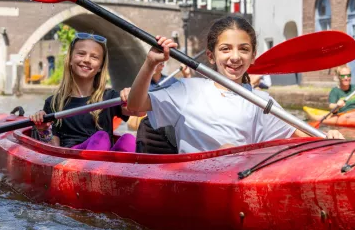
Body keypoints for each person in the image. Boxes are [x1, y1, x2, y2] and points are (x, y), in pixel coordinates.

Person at [127, 16, 343, 154]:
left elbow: (302, 137)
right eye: (226, 49)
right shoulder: (186, 90)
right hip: (196, 180)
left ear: (253, 57)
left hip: (241, 177)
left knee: (232, 150)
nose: (235, 57)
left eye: (244, 49)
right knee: (228, 149)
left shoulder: (263, 101)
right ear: (211, 56)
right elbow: (135, 107)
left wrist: (328, 139)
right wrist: (149, 63)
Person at [30, 32, 142, 152]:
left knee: (128, 139)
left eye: (94, 57)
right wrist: (43, 130)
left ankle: (121, 169)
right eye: (81, 54)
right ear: (70, 60)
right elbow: (53, 148)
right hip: (72, 159)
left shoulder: (110, 98)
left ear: (100, 67)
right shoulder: (53, 102)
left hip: (105, 160)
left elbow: (139, 111)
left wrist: (133, 96)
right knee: (101, 138)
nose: (87, 60)